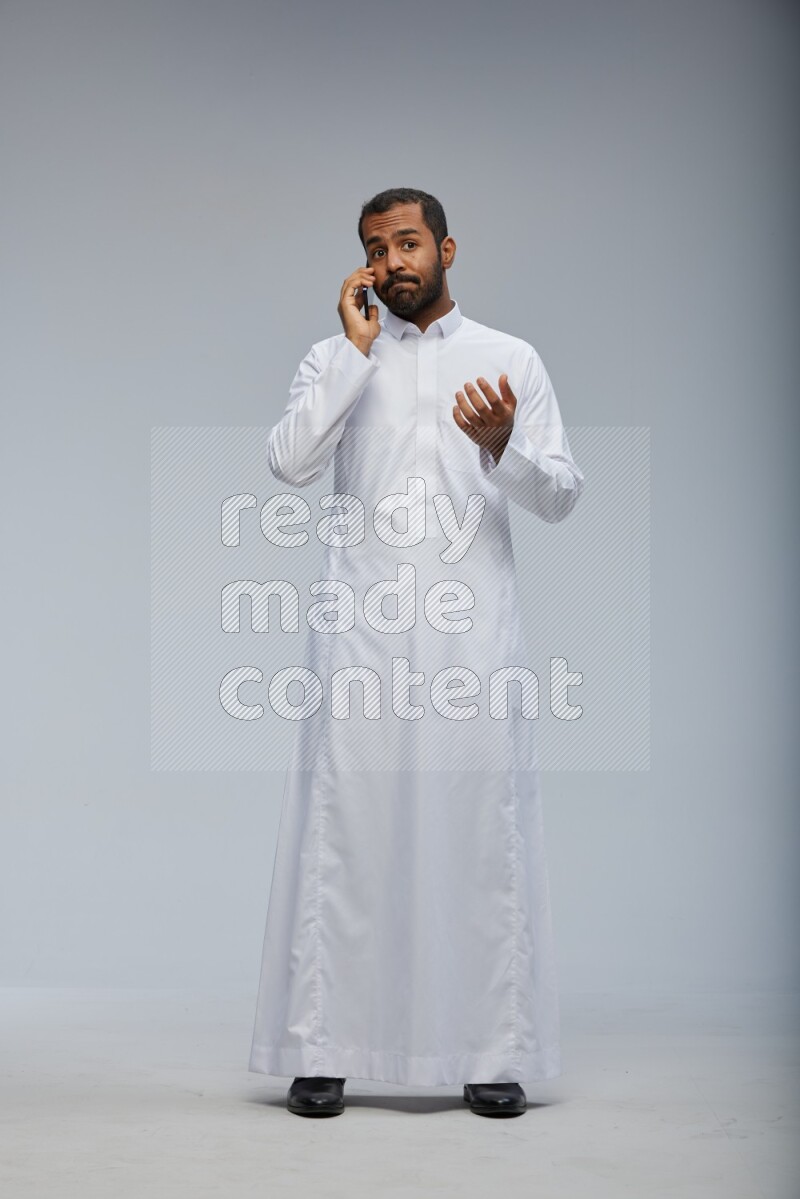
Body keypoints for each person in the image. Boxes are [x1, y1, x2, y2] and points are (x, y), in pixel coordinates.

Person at [249, 187, 584, 1118]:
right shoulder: (334, 357)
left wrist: (503, 448)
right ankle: (322, 1047)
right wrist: (354, 360)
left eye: (407, 242)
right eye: (374, 247)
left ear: (446, 247)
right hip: (360, 633)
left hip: (473, 631)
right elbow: (289, 462)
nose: (393, 261)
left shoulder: (509, 360)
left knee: (480, 832)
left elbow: (560, 495)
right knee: (344, 832)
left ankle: (489, 1049)